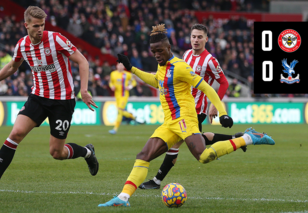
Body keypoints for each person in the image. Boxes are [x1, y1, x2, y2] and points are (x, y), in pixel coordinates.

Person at [98, 24, 275, 207]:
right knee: (143, 155)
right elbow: (156, 80)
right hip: (169, 122)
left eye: (159, 51)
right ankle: (123, 197)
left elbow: (206, 86)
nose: (156, 54)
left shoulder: (181, 66)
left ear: (168, 48)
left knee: (203, 156)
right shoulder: (163, 65)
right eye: (153, 51)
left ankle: (247, 138)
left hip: (185, 118)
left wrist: (221, 112)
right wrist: (131, 68)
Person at [0, 6, 99, 197]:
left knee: (57, 153)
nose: (40, 29)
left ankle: (87, 153)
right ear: (26, 25)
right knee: (16, 133)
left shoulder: (56, 39)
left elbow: (83, 61)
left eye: (42, 25)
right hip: (38, 97)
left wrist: (84, 90)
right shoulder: (22, 45)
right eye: (36, 26)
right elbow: (12, 67)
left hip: (62, 101)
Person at [139, 23, 246, 190]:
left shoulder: (210, 61)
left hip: (197, 108)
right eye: (193, 36)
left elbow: (223, 82)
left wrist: (215, 105)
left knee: (176, 144)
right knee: (199, 140)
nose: (196, 40)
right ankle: (236, 138)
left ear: (206, 39)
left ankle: (157, 180)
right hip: (182, 106)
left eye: (199, 37)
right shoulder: (186, 55)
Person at [108, 63, 139, 134]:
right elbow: (110, 82)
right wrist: (111, 86)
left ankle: (115, 129)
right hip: (117, 96)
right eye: (119, 65)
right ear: (116, 66)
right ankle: (133, 117)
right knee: (120, 111)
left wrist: (129, 87)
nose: (120, 66)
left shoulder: (127, 74)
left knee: (119, 111)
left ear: (124, 67)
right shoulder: (113, 73)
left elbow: (134, 82)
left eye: (122, 65)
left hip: (124, 95)